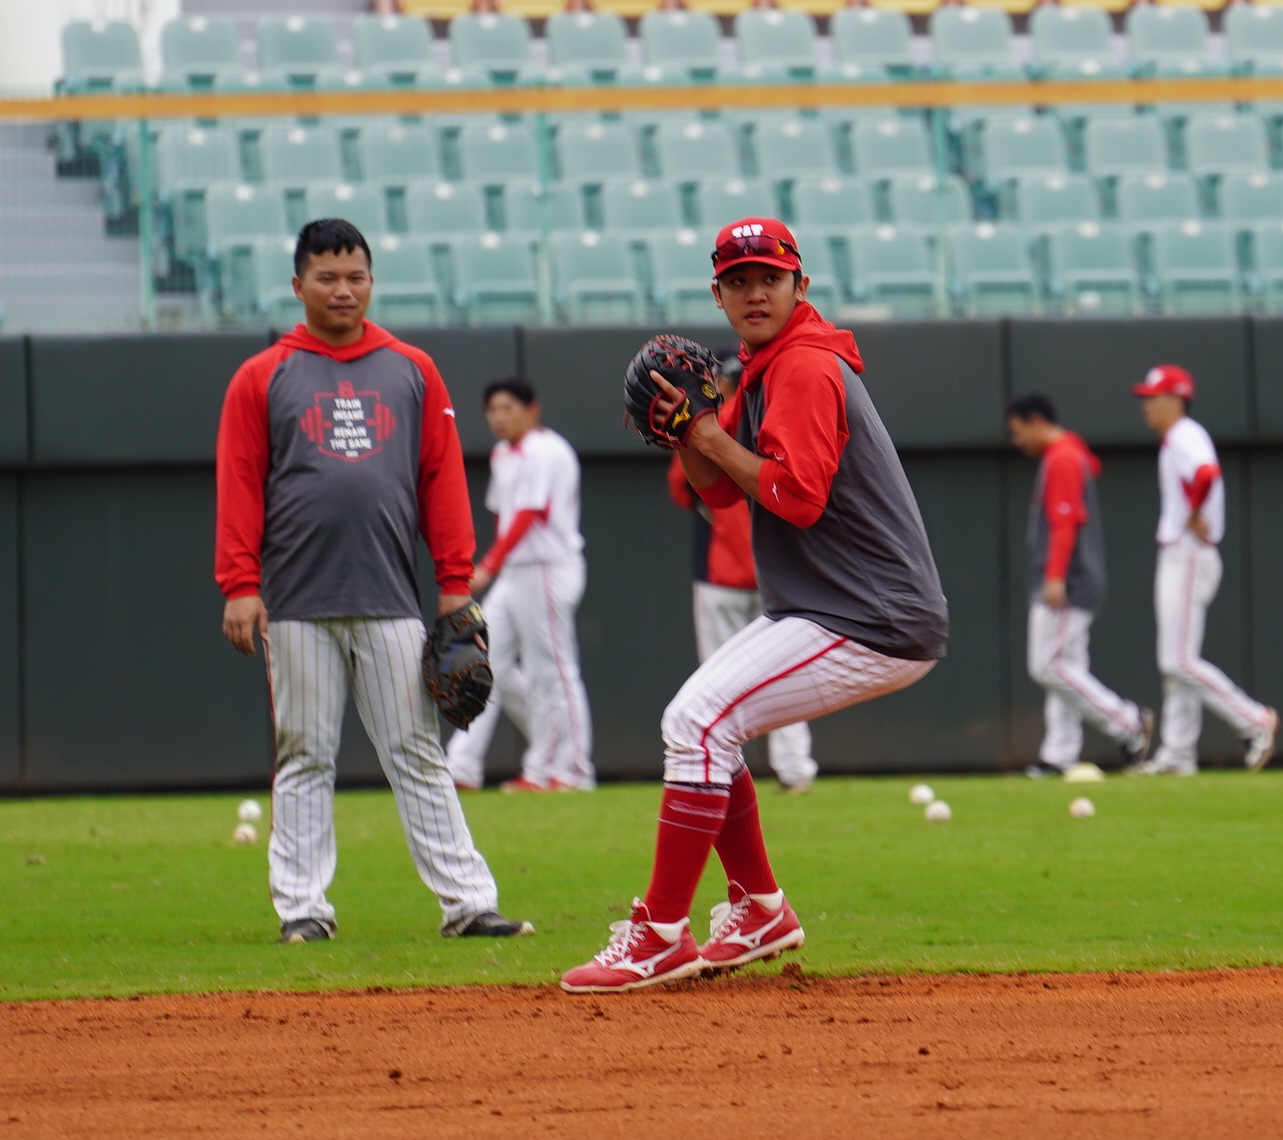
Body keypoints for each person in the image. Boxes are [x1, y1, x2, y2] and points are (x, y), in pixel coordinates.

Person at [561, 217, 949, 992]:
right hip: (830, 606)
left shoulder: (803, 367)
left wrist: (707, 430)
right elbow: (722, 498)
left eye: (768, 277)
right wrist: (688, 438)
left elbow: (795, 499)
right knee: (705, 723)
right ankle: (760, 908)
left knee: (698, 721)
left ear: (799, 285)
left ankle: (661, 933)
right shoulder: (765, 368)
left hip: (873, 615)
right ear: (719, 294)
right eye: (738, 281)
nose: (754, 292)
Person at [215, 218, 532, 943]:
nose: (343, 289)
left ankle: (468, 903)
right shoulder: (263, 376)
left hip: (391, 599)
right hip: (294, 603)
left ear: (372, 281)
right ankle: (302, 910)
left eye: (355, 275)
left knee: (417, 750)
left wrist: (455, 583)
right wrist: (239, 581)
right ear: (298, 286)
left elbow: (442, 480)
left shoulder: (411, 368)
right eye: (327, 277)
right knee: (304, 752)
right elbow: (239, 484)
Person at [667, 350, 820, 794]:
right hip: (772, 572)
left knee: (719, 680)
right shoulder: (769, 421)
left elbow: (682, 489)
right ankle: (795, 769)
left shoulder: (704, 430)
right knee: (786, 675)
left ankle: (723, 770)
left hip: (727, 574)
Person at [445, 377, 595, 795]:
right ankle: (462, 766)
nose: (500, 416)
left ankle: (572, 769)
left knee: (555, 672)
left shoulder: (547, 450)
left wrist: (489, 565)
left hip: (547, 567)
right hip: (516, 570)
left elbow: (530, 512)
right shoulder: (502, 454)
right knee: (481, 661)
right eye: (493, 409)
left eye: (508, 407)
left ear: (532, 409)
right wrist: (498, 563)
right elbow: (503, 515)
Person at [1128, 365, 1278, 776]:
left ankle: (1253, 719)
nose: (1147, 405)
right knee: (1176, 662)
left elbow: (1208, 473)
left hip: (1190, 554)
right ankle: (1178, 753)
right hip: (1183, 553)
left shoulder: (1185, 434)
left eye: (1153, 397)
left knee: (1177, 660)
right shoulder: (1177, 438)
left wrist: (1195, 511)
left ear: (1175, 399)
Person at [1006, 393, 1153, 774]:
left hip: (1068, 581)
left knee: (1047, 666)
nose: (1016, 440)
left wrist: (1055, 577)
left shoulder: (1064, 457)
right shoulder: (1068, 453)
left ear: (1036, 420)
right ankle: (1059, 753)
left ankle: (1127, 722)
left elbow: (1066, 522)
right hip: (1072, 579)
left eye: (1018, 430)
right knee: (1066, 666)